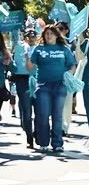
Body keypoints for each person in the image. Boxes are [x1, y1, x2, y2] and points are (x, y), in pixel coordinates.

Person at [26, 25, 77, 153]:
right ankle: (43, 142)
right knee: (42, 115)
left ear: (56, 35)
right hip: (43, 86)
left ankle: (57, 143)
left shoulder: (64, 49)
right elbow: (30, 68)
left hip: (60, 85)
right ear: (43, 36)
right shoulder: (39, 49)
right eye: (46, 34)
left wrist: (69, 75)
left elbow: (72, 65)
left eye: (51, 33)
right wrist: (27, 58)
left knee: (57, 116)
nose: (49, 36)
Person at [11, 28, 37, 148]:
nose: (31, 38)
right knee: (27, 111)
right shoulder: (19, 47)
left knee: (40, 110)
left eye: (33, 36)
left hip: (37, 80)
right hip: (22, 80)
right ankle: (29, 137)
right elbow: (14, 62)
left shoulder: (39, 48)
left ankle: (37, 132)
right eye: (29, 36)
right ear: (25, 37)